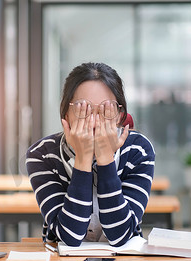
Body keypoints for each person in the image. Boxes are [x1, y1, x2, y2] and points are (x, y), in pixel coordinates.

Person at [26, 62, 155, 247]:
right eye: (83, 109)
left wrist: (105, 158)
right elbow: (69, 237)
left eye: (105, 110)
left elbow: (120, 236)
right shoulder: (42, 154)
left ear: (119, 115)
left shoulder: (139, 150)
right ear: (66, 114)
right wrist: (83, 158)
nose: (94, 121)